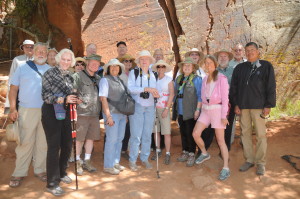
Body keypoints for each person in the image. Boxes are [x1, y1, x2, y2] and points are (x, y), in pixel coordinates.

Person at [230, 42, 276, 176]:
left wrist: (268, 105)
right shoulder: (239, 68)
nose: (249, 52)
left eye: (252, 50)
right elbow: (234, 88)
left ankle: (261, 163)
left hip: (259, 107)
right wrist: (236, 104)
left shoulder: (266, 66)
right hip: (243, 107)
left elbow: (271, 86)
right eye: (247, 50)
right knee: (245, 134)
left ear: (258, 51)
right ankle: (249, 160)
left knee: (261, 135)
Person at [8, 42, 50, 188]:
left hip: (46, 111)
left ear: (47, 54)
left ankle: (40, 169)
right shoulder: (22, 68)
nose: (41, 53)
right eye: (38, 51)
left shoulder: (51, 70)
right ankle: (19, 172)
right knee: (25, 142)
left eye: (44, 51)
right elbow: (13, 90)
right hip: (27, 110)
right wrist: (13, 109)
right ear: (33, 52)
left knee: (43, 142)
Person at [41, 48, 78, 196]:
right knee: (54, 146)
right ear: (58, 59)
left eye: (69, 60)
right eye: (64, 59)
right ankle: (52, 182)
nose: (66, 62)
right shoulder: (49, 73)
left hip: (66, 112)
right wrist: (63, 99)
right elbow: (45, 96)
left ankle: (62, 173)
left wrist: (75, 98)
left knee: (67, 144)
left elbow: (71, 93)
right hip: (51, 112)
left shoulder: (70, 76)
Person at [192, 55, 230, 181]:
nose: (208, 65)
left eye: (210, 63)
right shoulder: (205, 79)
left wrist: (224, 116)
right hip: (205, 110)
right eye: (206, 63)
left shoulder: (221, 78)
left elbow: (225, 99)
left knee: (220, 141)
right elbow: (202, 97)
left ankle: (226, 168)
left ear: (215, 64)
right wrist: (199, 109)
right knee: (196, 133)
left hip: (217, 111)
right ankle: (204, 153)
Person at [127, 50, 160, 171]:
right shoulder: (134, 73)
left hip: (150, 106)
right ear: (139, 61)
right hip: (138, 106)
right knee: (136, 135)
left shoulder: (154, 74)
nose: (144, 61)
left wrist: (156, 93)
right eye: (142, 59)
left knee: (147, 134)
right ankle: (132, 160)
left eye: (146, 59)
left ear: (150, 61)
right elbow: (130, 89)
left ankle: (144, 158)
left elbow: (156, 89)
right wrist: (145, 89)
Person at [72, 54, 101, 175]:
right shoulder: (78, 76)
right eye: (92, 63)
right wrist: (76, 99)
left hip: (94, 114)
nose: (94, 65)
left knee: (90, 138)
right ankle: (78, 161)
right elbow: (72, 91)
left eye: (97, 64)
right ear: (87, 63)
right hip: (82, 113)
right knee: (79, 139)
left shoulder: (99, 79)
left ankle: (87, 160)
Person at [99, 58, 129, 175]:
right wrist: (108, 116)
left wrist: (125, 115)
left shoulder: (120, 80)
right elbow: (103, 99)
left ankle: (115, 162)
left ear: (120, 69)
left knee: (119, 139)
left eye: (117, 67)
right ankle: (108, 165)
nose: (115, 68)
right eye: (112, 67)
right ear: (108, 69)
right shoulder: (105, 80)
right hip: (112, 114)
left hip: (121, 114)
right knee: (111, 140)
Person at [173, 57, 202, 167]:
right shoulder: (179, 78)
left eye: (189, 66)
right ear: (182, 67)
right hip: (180, 111)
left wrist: (197, 110)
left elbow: (200, 96)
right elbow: (175, 94)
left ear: (193, 67)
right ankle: (185, 151)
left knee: (191, 133)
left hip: (191, 111)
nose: (187, 67)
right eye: (185, 65)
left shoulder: (197, 79)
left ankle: (191, 153)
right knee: (183, 132)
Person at [150, 60, 174, 165]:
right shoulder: (153, 79)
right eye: (158, 67)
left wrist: (167, 108)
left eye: (162, 67)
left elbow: (171, 94)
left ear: (165, 68)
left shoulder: (169, 80)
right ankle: (158, 150)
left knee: (166, 132)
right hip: (153, 108)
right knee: (156, 131)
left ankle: (168, 153)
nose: (160, 68)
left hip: (164, 108)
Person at [4, 39, 35, 114]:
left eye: (31, 47)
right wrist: (10, 89)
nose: (29, 49)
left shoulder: (38, 60)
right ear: (23, 48)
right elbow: (12, 76)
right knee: (18, 112)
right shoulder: (17, 60)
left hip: (33, 91)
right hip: (18, 90)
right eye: (27, 47)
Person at [118, 54, 136, 160]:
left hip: (130, 104)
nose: (128, 63)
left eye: (130, 61)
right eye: (126, 61)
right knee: (117, 127)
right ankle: (110, 150)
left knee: (128, 128)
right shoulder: (119, 74)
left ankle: (123, 149)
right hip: (120, 104)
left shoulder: (133, 74)